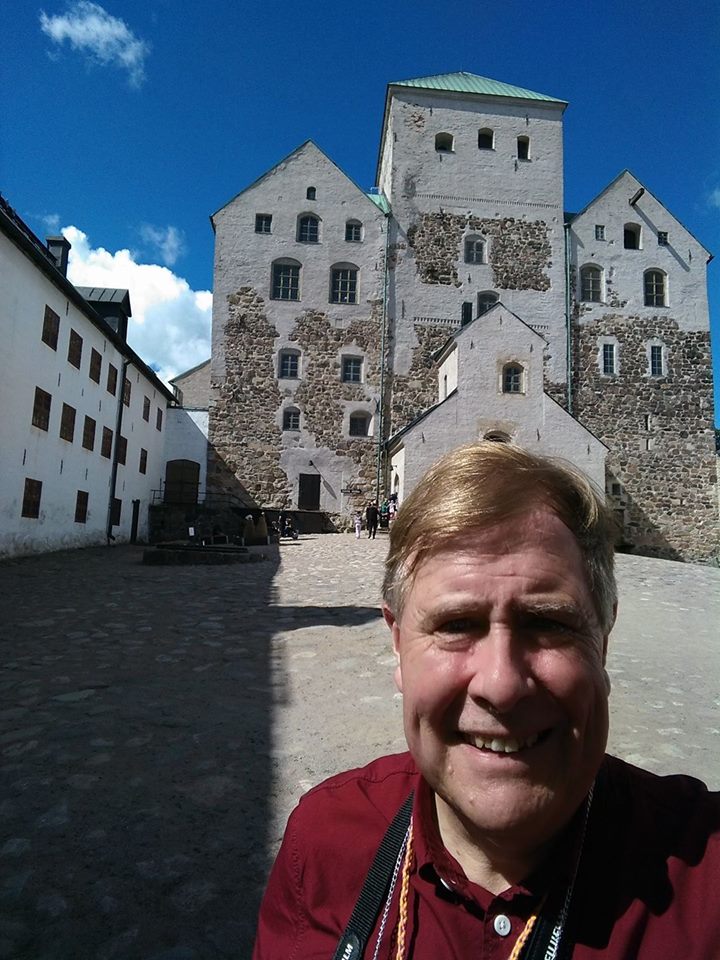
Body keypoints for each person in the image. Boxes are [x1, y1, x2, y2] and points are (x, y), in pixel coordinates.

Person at [253, 443, 720, 959]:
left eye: (547, 623)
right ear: (398, 641)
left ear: (602, 641)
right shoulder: (324, 847)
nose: (500, 684)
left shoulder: (703, 876)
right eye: (456, 625)